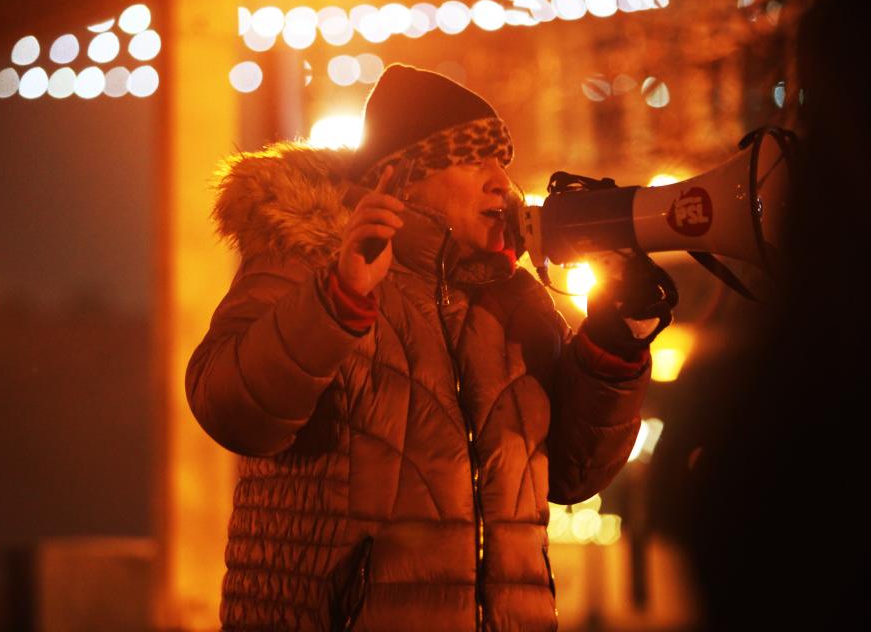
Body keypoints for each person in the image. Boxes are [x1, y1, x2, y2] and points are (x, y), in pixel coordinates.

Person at [186, 64, 671, 631]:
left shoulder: (517, 302)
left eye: (502, 163)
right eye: (473, 160)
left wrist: (614, 346)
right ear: (401, 178)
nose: (500, 182)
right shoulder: (309, 262)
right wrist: (336, 300)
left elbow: (571, 475)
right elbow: (228, 406)